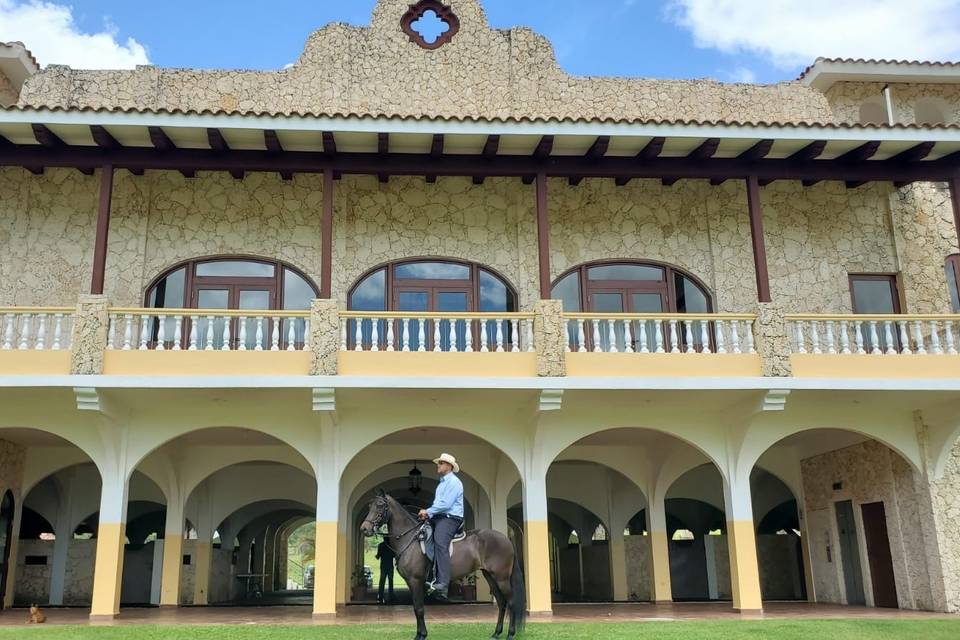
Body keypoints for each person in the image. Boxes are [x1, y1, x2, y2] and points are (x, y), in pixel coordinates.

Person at [418, 452, 464, 601]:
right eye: (438, 463)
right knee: (424, 536)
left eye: (441, 463)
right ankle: (431, 577)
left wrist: (428, 511)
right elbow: (438, 505)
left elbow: (445, 504)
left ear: (449, 466)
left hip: (450, 518)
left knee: (439, 541)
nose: (438, 465)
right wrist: (428, 514)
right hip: (439, 517)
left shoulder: (454, 482)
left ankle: (443, 584)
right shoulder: (441, 484)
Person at [375, 540, 396, 604]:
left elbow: (378, 556)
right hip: (390, 565)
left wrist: (378, 555)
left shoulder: (381, 545)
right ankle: (391, 595)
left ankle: (380, 595)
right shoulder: (391, 545)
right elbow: (394, 555)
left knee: (382, 581)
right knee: (390, 581)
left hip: (383, 565)